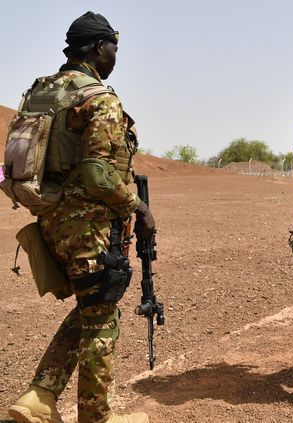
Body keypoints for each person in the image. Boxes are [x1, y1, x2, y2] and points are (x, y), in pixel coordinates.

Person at [7, 12, 154, 423]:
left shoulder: (41, 91)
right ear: (97, 48)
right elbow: (96, 171)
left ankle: (40, 395)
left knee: (92, 306)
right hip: (88, 227)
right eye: (113, 49)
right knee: (102, 316)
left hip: (51, 221)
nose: (115, 58)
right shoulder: (98, 98)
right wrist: (138, 207)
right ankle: (95, 417)